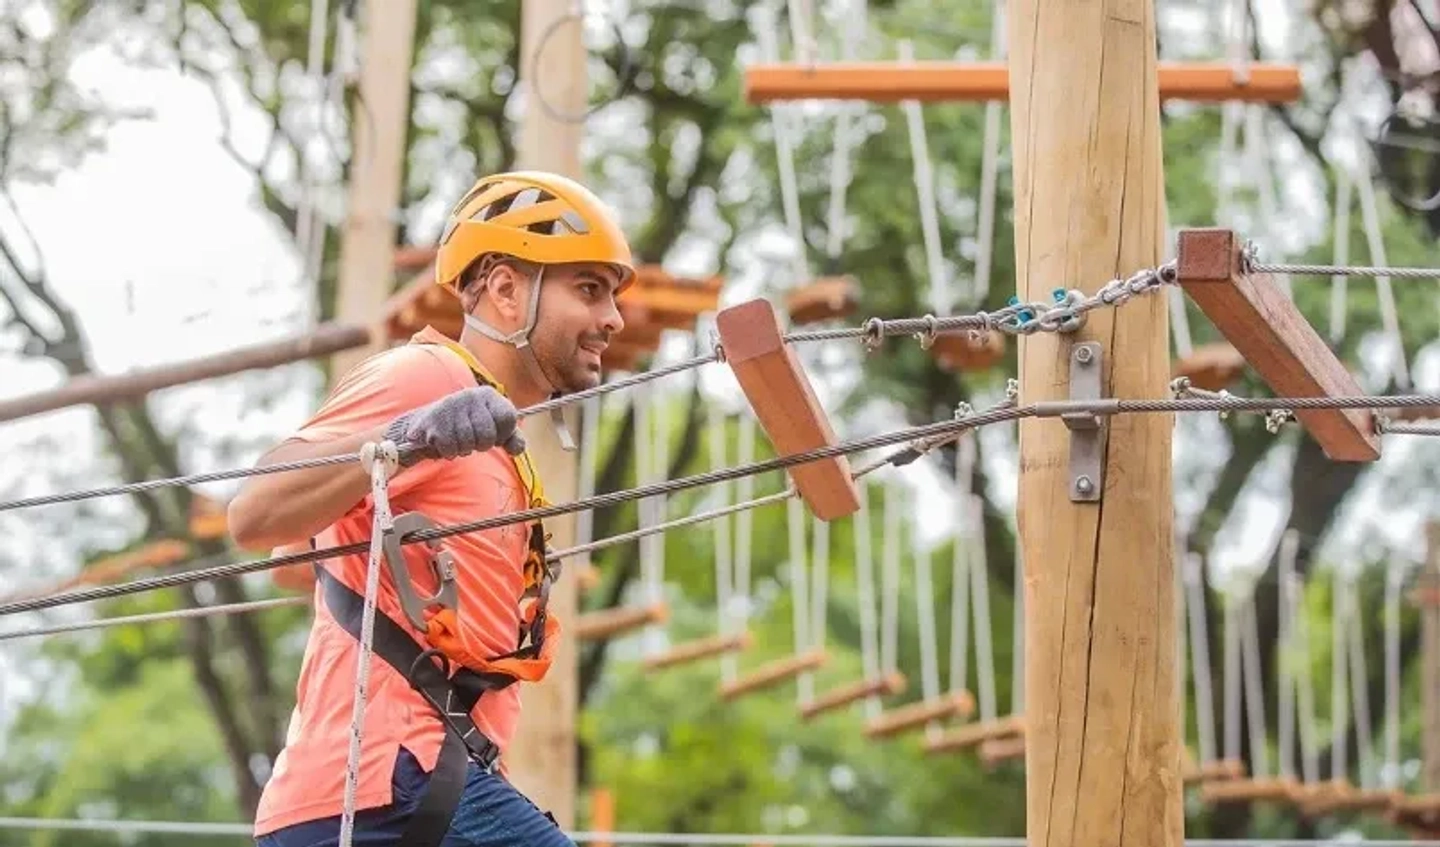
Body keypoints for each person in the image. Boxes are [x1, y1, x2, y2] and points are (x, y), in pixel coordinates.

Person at [227, 170, 633, 847]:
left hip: (396, 792)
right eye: (589, 289)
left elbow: (293, 564)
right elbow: (256, 514)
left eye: (613, 296)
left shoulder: (497, 442)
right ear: (506, 290)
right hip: (388, 786)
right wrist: (404, 441)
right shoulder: (428, 379)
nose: (613, 318)